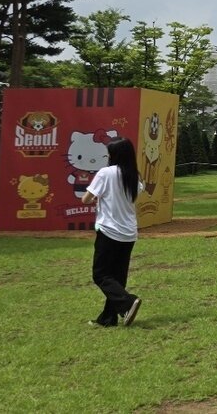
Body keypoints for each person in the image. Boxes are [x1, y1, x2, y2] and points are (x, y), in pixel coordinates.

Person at [82, 137, 145, 327]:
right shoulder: (134, 176)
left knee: (100, 274)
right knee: (117, 276)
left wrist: (97, 198)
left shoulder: (105, 173)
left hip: (109, 231)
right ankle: (108, 318)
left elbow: (86, 198)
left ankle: (127, 302)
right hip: (129, 232)